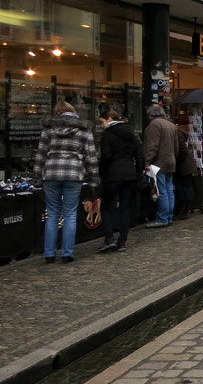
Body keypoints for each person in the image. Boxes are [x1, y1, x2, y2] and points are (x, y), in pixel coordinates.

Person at [35, 101, 99, 263]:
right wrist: (93, 180)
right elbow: (91, 158)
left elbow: (41, 155)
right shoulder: (83, 130)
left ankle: (49, 253)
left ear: (57, 113)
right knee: (70, 214)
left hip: (51, 173)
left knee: (52, 214)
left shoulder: (48, 129)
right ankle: (67, 253)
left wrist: (37, 177)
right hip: (74, 174)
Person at [97, 109, 141, 253]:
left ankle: (109, 238)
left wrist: (102, 173)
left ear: (109, 119)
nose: (102, 125)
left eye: (102, 122)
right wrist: (138, 172)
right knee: (125, 208)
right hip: (129, 174)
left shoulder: (107, 135)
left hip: (112, 175)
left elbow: (106, 156)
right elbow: (139, 154)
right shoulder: (130, 133)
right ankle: (122, 241)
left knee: (105, 207)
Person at [143, 105, 179, 228]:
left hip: (159, 162)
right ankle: (168, 216)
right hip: (170, 160)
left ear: (150, 114)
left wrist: (147, 162)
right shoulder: (171, 125)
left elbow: (152, 146)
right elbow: (176, 147)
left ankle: (162, 217)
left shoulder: (154, 125)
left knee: (161, 190)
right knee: (169, 190)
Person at [175, 122, 201, 215]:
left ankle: (184, 209)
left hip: (183, 165)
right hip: (186, 164)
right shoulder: (179, 134)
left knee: (183, 187)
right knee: (185, 187)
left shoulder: (177, 134)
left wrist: (177, 162)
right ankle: (185, 208)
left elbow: (182, 151)